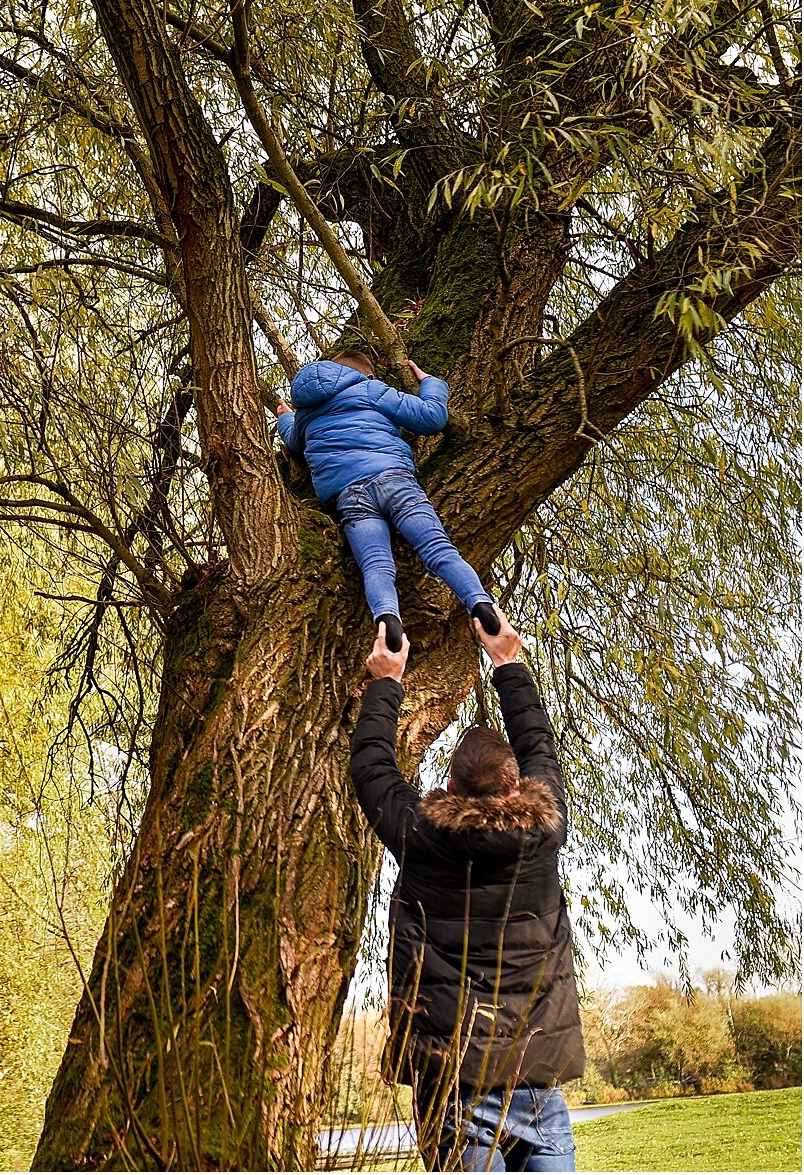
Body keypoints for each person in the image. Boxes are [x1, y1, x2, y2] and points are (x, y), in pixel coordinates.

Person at [352, 612, 584, 1172]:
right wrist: (508, 661)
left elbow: (373, 768)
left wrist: (386, 680)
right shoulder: (544, 828)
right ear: (516, 785)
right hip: (535, 1074)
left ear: (451, 785)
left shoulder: (423, 835)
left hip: (453, 1077)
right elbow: (539, 748)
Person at [277, 349, 499, 651]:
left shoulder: (305, 416)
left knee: (376, 565)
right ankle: (480, 605)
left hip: (349, 496)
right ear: (364, 374)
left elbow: (293, 441)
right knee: (437, 549)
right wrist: (431, 383)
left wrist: (285, 418)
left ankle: (388, 621)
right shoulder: (369, 388)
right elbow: (432, 418)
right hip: (393, 479)